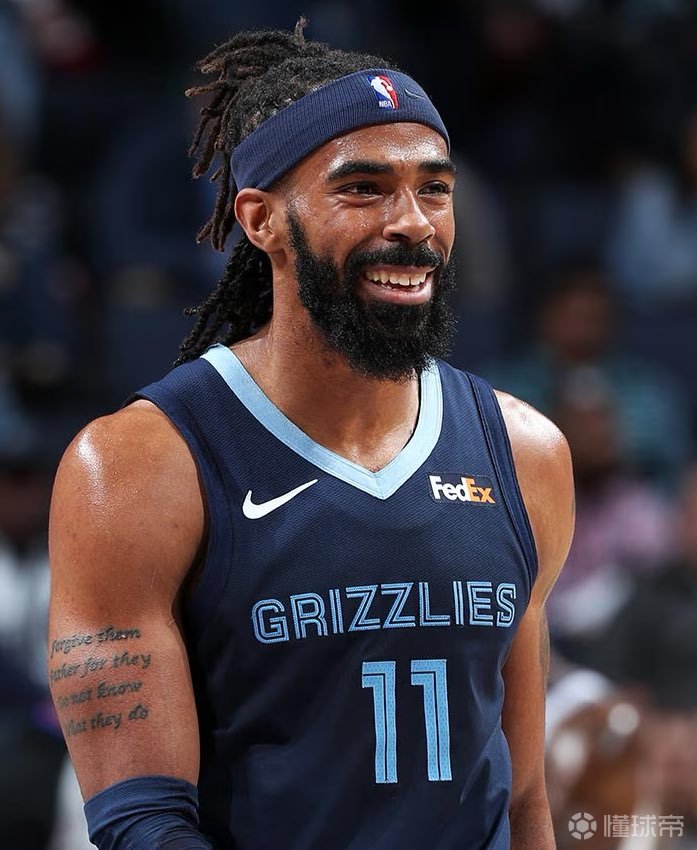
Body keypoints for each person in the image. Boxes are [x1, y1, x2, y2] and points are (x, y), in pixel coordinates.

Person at [47, 21, 574, 850]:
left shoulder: (525, 452)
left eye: (434, 189)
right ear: (261, 219)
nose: (413, 223)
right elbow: (142, 823)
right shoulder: (138, 464)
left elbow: (524, 801)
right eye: (363, 188)